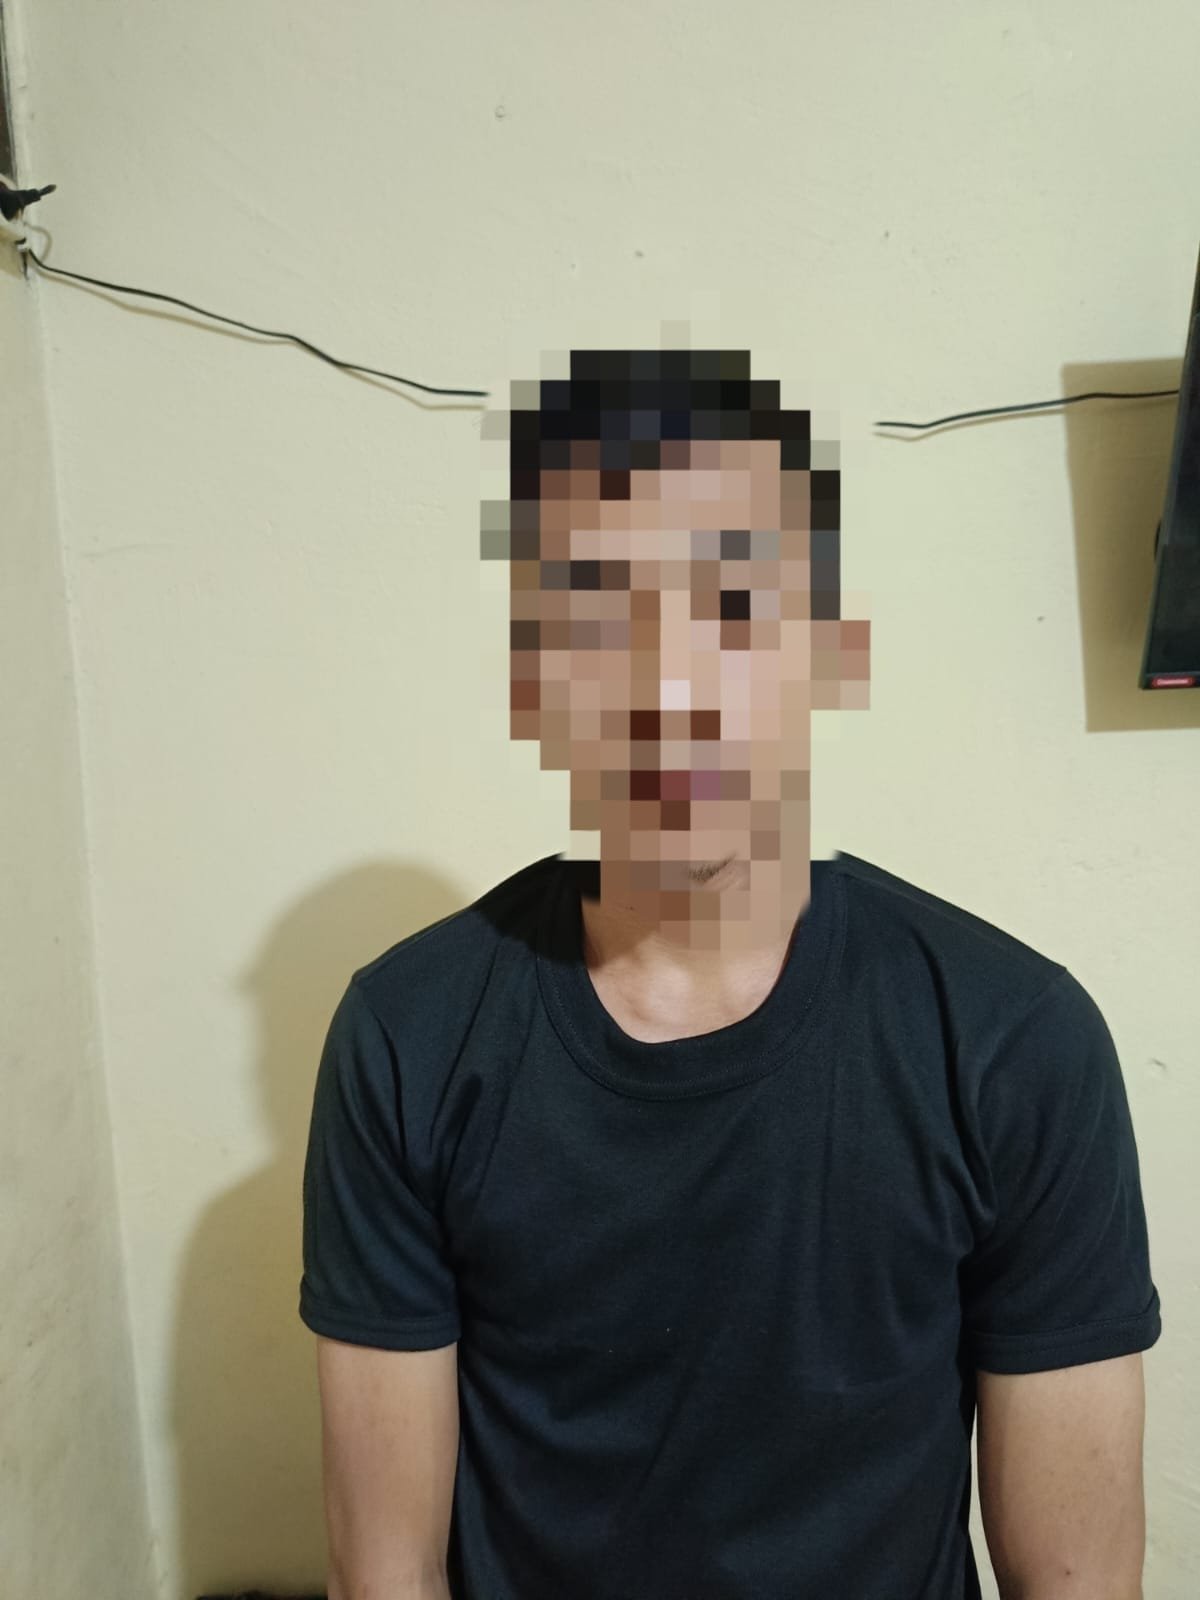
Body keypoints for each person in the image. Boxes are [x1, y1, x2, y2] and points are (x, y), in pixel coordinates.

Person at [300, 348, 1160, 1600]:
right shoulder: (408, 1037)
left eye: (735, 604)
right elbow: (385, 1571)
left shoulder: (1015, 1041)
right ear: (533, 681)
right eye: (601, 610)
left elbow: (1080, 1578)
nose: (671, 687)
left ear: (832, 653)